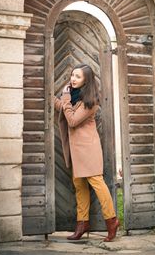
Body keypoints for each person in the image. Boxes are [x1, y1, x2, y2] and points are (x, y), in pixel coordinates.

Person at [54, 63, 120, 242]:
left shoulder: (91, 101)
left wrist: (65, 98)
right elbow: (66, 109)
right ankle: (82, 224)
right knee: (79, 185)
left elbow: (73, 120)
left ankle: (111, 220)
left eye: (78, 76)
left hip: (88, 148)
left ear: (86, 80)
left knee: (97, 182)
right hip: (76, 150)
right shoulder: (74, 97)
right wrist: (55, 100)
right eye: (72, 75)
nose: (73, 79)